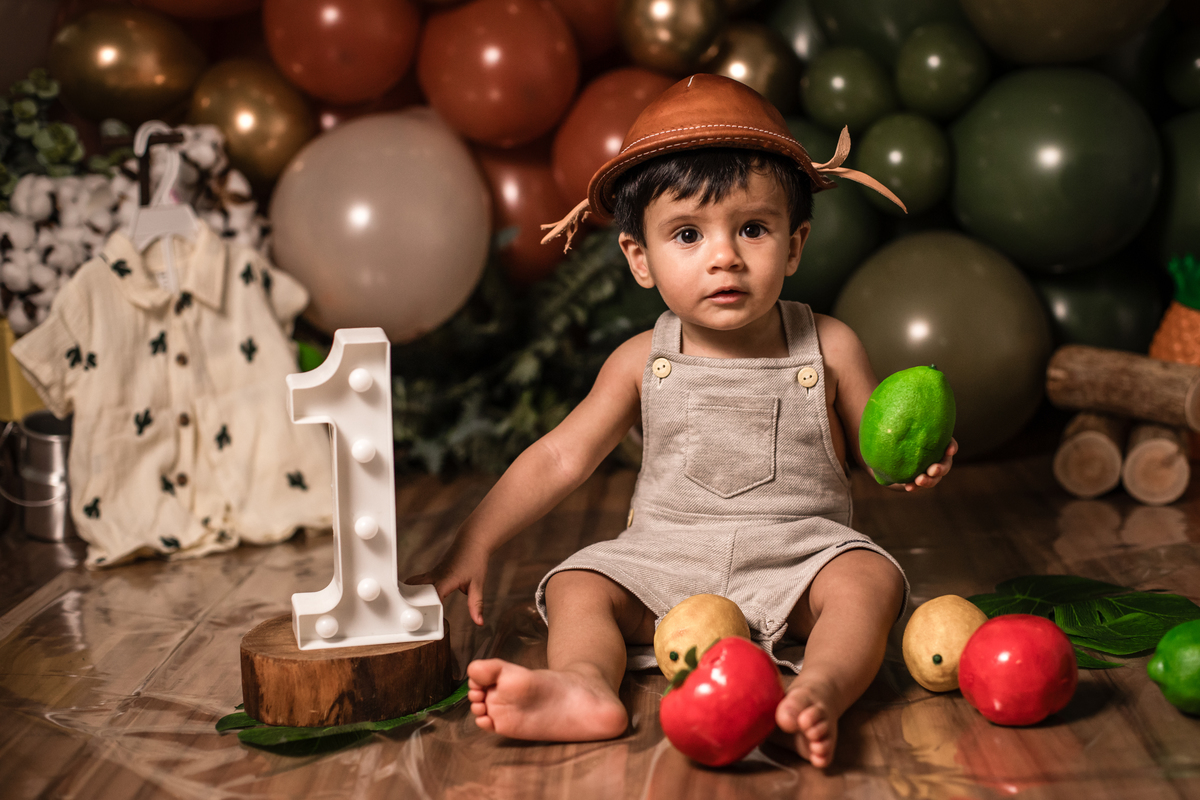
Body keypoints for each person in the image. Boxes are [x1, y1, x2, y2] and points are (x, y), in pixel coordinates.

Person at [408, 74, 956, 768]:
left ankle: (819, 689)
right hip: (663, 561)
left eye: (752, 229)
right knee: (580, 584)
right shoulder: (641, 360)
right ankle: (583, 687)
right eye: (688, 234)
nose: (724, 256)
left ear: (794, 244)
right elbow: (559, 458)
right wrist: (475, 539)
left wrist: (920, 465)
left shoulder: (832, 345)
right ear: (640, 257)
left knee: (866, 581)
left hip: (799, 558)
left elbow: (884, 450)